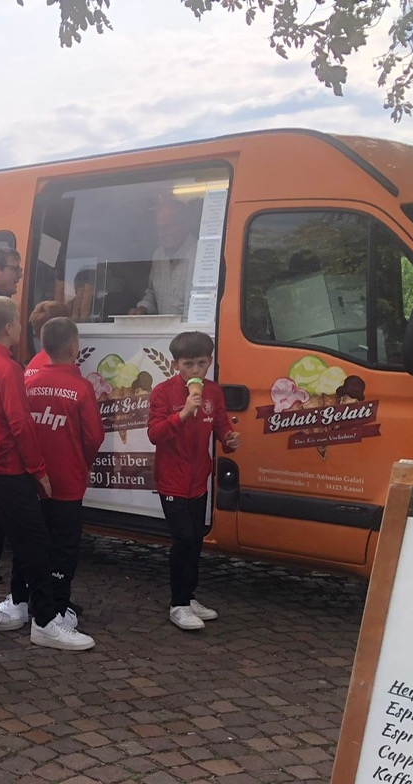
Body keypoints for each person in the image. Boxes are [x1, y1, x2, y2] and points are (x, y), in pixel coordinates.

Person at [0, 296, 89, 651]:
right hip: (8, 469)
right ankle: (46, 621)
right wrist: (38, 470)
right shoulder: (8, 369)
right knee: (36, 543)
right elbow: (20, 424)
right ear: (9, 328)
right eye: (18, 322)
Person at [146, 330, 240, 631]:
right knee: (183, 539)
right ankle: (178, 604)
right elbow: (155, 434)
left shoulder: (213, 391)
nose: (196, 370)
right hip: (172, 479)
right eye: (188, 364)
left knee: (196, 540)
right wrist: (184, 413)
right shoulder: (163, 392)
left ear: (210, 361)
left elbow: (221, 423)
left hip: (199, 479)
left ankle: (189, 595)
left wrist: (229, 439)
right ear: (175, 365)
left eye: (201, 363)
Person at [25, 317, 104, 642]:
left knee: (38, 543)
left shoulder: (28, 381)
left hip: (34, 480)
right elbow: (94, 436)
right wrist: (82, 463)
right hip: (68, 482)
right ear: (74, 348)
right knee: (64, 546)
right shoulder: (81, 387)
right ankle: (57, 608)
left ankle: (37, 601)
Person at [129, 198, 197, 317]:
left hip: (191, 327)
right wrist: (143, 308)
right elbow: (152, 293)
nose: (161, 234)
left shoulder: (199, 254)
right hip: (163, 328)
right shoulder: (158, 255)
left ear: (184, 225)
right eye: (159, 228)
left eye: (167, 227)